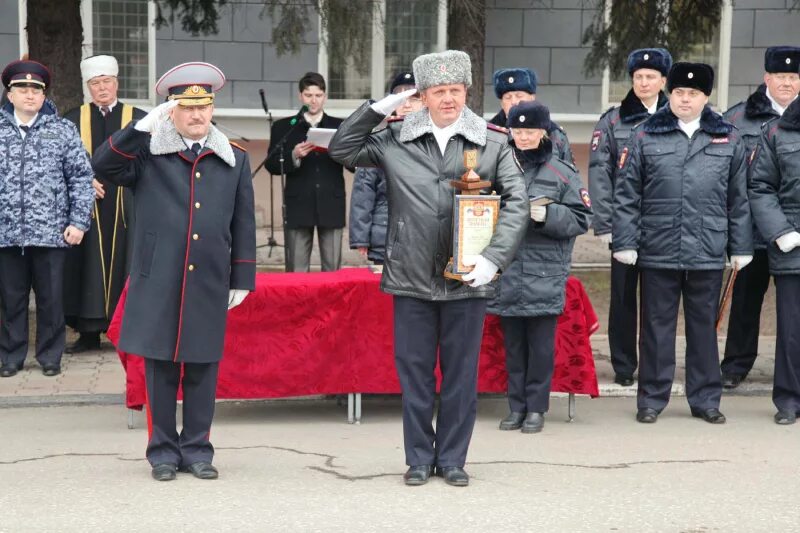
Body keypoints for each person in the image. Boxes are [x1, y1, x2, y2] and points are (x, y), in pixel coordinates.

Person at [329, 50, 528, 487]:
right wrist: (381, 107)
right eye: (439, 92)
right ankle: (419, 457)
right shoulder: (395, 137)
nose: (449, 99)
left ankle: (453, 458)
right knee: (415, 374)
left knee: (460, 375)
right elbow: (341, 147)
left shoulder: (491, 141)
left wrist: (493, 259)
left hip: (467, 278)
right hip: (410, 275)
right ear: (423, 96)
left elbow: (519, 202)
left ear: (466, 92)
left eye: (456, 90)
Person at [92, 62, 256, 481]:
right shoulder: (148, 152)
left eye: (204, 107)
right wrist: (140, 128)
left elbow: (243, 221)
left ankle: (198, 449)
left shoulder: (232, 157)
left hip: (208, 277)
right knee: (160, 368)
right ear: (171, 111)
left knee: (203, 366)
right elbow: (104, 165)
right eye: (188, 108)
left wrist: (242, 277)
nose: (198, 116)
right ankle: (162, 451)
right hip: (158, 276)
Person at [612, 62, 753, 424]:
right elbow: (627, 195)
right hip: (658, 248)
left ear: (706, 97)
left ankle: (705, 398)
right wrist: (625, 242)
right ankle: (651, 399)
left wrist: (741, 247)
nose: (685, 99)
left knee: (703, 327)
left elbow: (739, 199)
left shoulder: (728, 137)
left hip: (707, 249)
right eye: (678, 93)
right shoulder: (645, 136)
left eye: (693, 94)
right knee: (656, 327)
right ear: (668, 94)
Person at [489, 101, 591, 433]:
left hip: (544, 271)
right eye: (517, 131)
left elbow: (582, 218)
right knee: (513, 347)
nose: (523, 137)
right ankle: (516, 406)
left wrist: (547, 216)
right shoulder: (497, 167)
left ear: (543, 132)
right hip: (507, 269)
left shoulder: (562, 171)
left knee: (541, 348)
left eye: (529, 131)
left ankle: (537, 407)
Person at [0, 60, 94, 378]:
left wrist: (79, 222)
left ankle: (50, 356)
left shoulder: (62, 130)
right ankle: (11, 356)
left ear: (43, 95)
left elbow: (81, 178)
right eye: (22, 89)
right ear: (9, 94)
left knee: (51, 299)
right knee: (10, 300)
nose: (29, 95)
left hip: (52, 232)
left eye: (36, 90)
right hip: (6, 232)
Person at [588, 48, 672, 387]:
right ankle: (624, 365)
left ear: (663, 81)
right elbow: (599, 173)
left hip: (663, 225)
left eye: (651, 77)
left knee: (658, 299)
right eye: (638, 77)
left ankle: (654, 363)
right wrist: (605, 223)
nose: (644, 82)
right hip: (624, 223)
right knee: (622, 298)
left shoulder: (676, 115)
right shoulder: (613, 121)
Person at [720, 46, 800, 389]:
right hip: (751, 227)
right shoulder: (738, 118)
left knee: (792, 308)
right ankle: (736, 364)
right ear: (766, 78)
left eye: (793, 77)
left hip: (792, 231)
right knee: (746, 301)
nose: (786, 82)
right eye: (780, 76)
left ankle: (789, 370)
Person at [62, 55, 147, 353]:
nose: (102, 88)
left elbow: (150, 161)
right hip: (86, 206)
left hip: (128, 204)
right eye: (95, 83)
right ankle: (88, 333)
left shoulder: (138, 118)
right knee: (87, 265)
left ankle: (125, 331)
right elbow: (60, 162)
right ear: (88, 86)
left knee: (128, 261)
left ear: (116, 83)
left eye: (106, 82)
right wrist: (84, 181)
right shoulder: (71, 119)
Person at [748, 90, 800, 425]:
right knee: (792, 329)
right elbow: (761, 186)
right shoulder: (778, 132)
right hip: (794, 246)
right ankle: (789, 399)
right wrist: (781, 231)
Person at [265, 72, 345, 272]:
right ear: (300, 96)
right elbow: (271, 164)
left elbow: (354, 164)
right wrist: (294, 155)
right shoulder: (285, 127)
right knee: (297, 271)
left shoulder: (340, 126)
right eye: (308, 95)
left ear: (325, 96)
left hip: (331, 202)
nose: (313, 100)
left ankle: (330, 305)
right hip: (298, 203)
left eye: (318, 95)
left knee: (332, 271)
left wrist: (341, 151)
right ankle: (297, 305)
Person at [349, 71, 424, 264]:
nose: (406, 105)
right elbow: (363, 191)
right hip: (385, 231)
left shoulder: (434, 139)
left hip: (424, 237)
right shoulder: (379, 139)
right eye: (400, 99)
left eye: (413, 99)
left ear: (424, 102)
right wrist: (361, 237)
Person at [488, 68, 573, 163]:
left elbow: (567, 173)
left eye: (519, 96)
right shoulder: (489, 133)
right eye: (508, 97)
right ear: (502, 103)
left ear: (532, 98)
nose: (514, 102)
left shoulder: (553, 133)